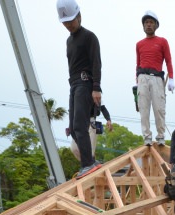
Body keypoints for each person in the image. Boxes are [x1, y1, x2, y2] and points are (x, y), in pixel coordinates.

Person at [57, 0, 103, 179]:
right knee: (73, 129)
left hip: (86, 82)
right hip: (74, 84)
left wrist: (96, 88)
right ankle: (90, 161)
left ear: (79, 16)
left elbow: (96, 63)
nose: (68, 25)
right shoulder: (69, 41)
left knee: (80, 125)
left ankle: (88, 164)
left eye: (71, 21)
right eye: (65, 22)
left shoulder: (89, 37)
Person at [136, 10, 174, 146]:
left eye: (151, 22)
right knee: (143, 108)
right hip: (142, 77)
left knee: (159, 108)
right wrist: (137, 80)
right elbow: (138, 62)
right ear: (143, 26)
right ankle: (147, 137)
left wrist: (172, 79)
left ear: (156, 25)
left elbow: (169, 60)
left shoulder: (162, 41)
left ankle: (160, 136)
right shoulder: (139, 44)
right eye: (146, 22)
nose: (148, 25)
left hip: (157, 77)